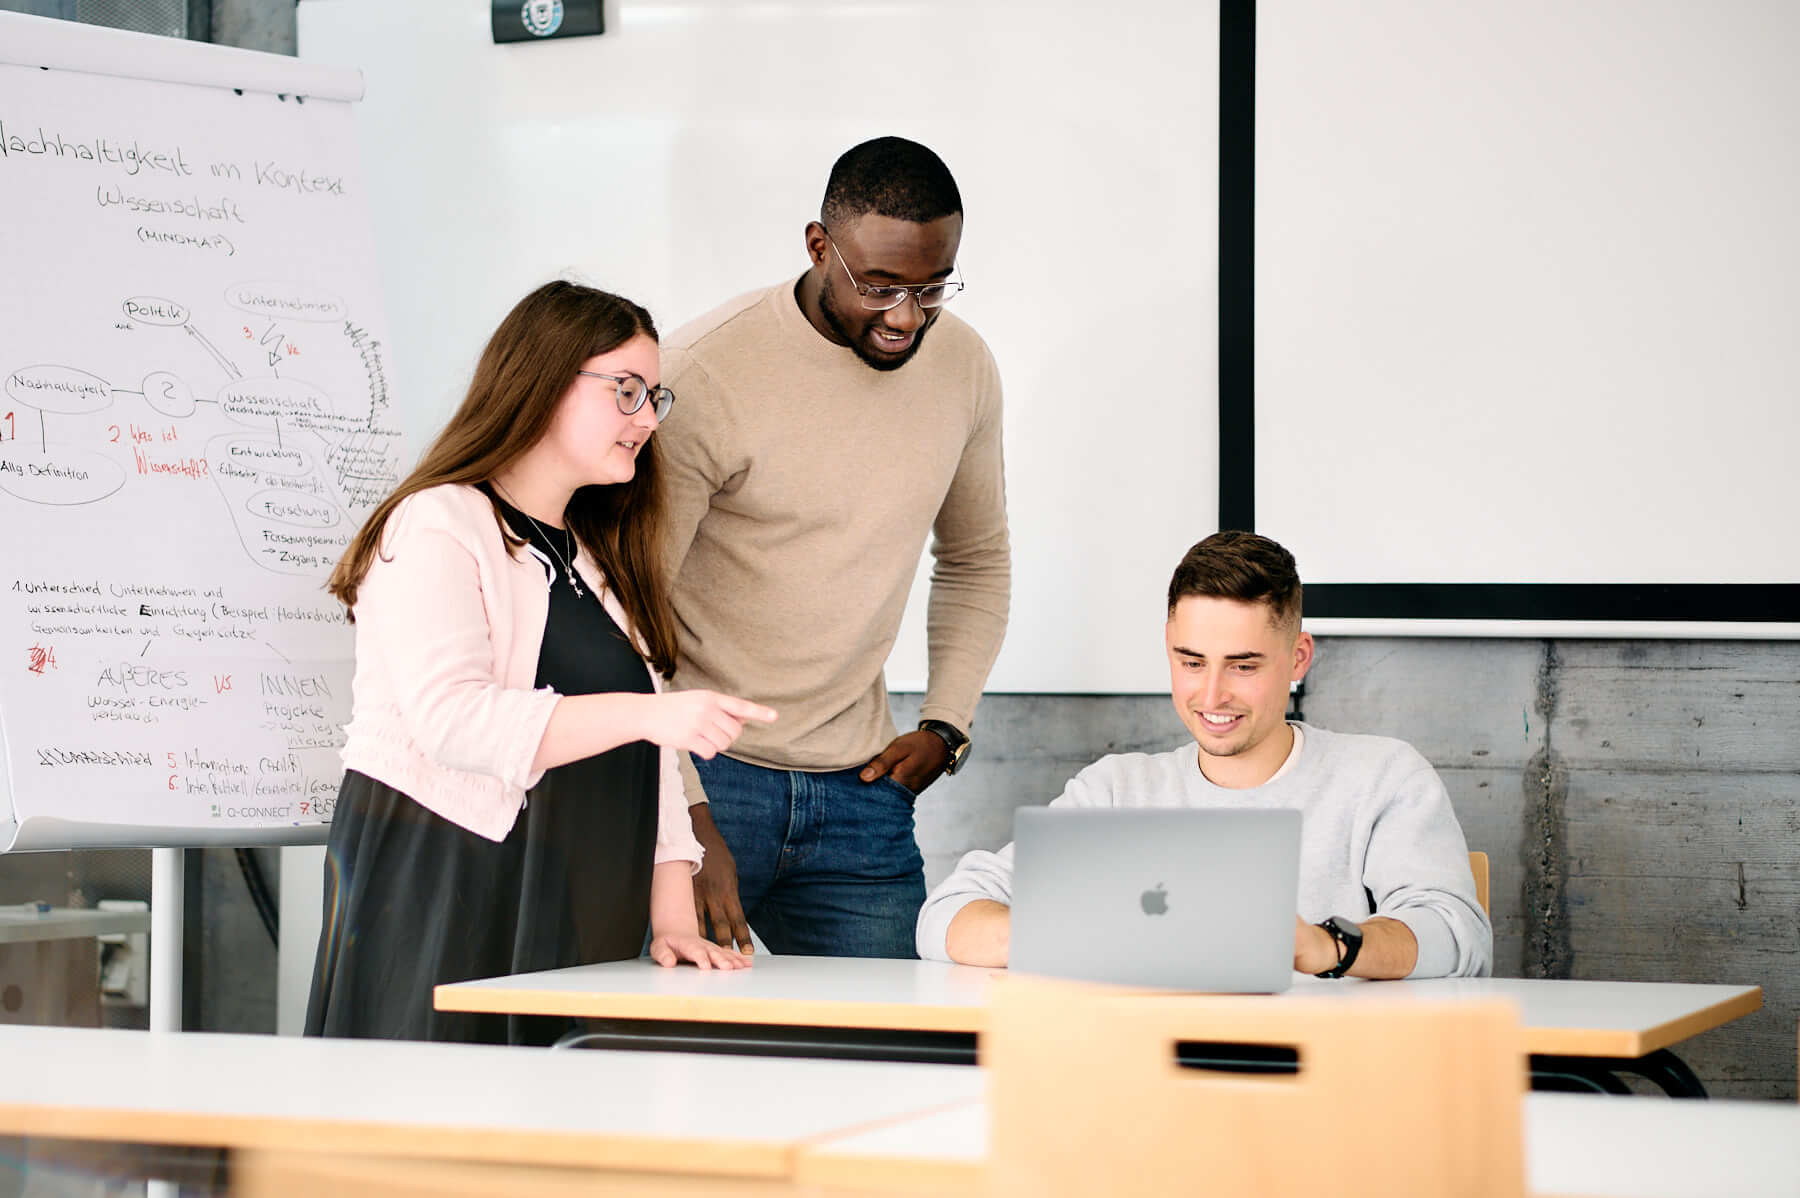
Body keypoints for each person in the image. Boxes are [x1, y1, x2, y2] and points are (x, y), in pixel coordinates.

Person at [306, 281, 776, 1044]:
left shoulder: (597, 557)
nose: (647, 419)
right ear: (544, 382)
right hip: (446, 885)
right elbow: (452, 721)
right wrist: (658, 713)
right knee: (435, 1135)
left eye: (654, 395)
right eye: (626, 391)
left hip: (569, 902)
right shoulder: (437, 521)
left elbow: (648, 762)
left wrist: (671, 915)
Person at [658, 137, 1010, 958]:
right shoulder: (704, 372)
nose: (905, 317)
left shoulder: (962, 365)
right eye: (879, 286)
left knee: (894, 1056)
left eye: (932, 287)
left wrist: (947, 726)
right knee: (674, 1056)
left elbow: (976, 560)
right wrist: (681, 809)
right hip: (711, 781)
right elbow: (627, 609)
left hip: (861, 795)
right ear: (819, 246)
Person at [917, 531, 1492, 979]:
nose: (1211, 695)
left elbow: (1455, 933)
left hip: (1326, 1075)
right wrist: (1068, 936)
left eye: (1243, 665)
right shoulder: (1118, 790)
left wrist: (1324, 947)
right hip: (1146, 1073)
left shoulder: (1381, 777)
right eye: (1191, 662)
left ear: (1298, 659)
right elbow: (944, 916)